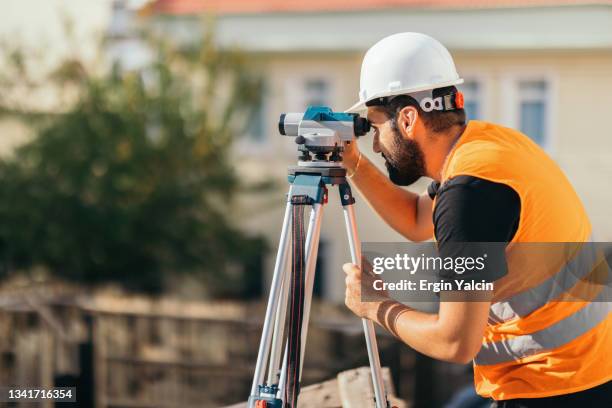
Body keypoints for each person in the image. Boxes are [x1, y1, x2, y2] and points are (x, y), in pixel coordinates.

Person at [342, 32, 612, 407]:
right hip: (589, 373)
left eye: (374, 128)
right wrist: (353, 164)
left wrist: (375, 306)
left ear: (407, 119)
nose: (374, 146)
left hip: (551, 388)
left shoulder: (469, 194)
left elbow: (454, 341)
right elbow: (419, 219)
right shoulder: (491, 147)